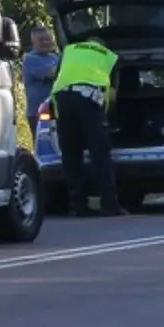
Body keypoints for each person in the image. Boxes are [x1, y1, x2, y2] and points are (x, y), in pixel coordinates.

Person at [50, 34, 123, 217]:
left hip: (63, 99)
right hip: (88, 100)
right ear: (102, 45)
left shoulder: (68, 51)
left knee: (71, 154)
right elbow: (112, 94)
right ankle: (109, 204)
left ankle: (78, 205)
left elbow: (57, 76)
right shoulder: (108, 56)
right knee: (100, 152)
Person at [21, 26, 59, 143]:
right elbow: (52, 74)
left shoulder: (55, 57)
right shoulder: (30, 59)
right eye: (41, 40)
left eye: (48, 39)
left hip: (56, 110)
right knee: (43, 143)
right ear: (33, 42)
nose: (45, 42)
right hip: (38, 111)